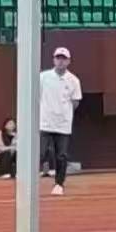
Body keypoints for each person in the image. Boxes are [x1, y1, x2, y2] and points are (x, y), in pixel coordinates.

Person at [38, 46, 83, 197]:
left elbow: (75, 101)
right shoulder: (43, 77)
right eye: (58, 58)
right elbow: (37, 96)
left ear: (68, 61)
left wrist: (64, 113)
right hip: (45, 122)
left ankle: (59, 184)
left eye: (63, 59)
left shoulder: (73, 80)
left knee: (61, 155)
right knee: (41, 152)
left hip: (63, 125)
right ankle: (34, 180)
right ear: (54, 60)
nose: (60, 61)